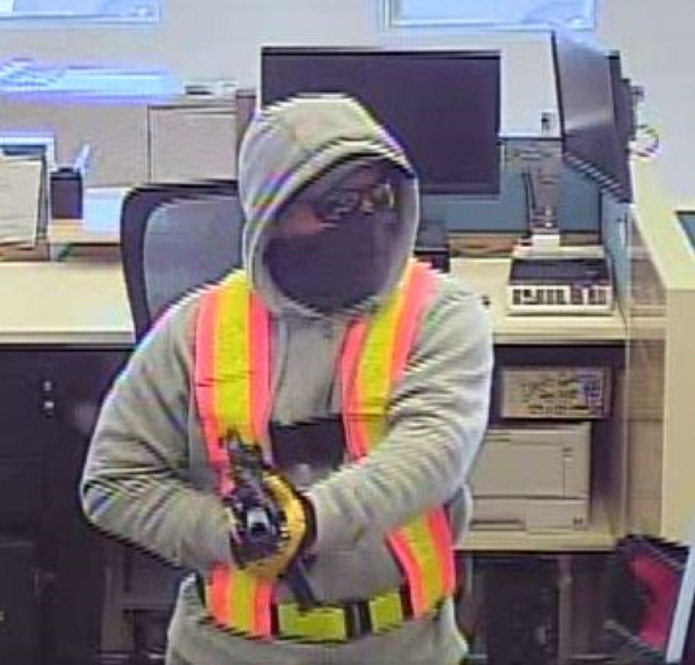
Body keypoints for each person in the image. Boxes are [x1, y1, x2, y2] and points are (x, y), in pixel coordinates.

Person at [81, 94, 494, 665]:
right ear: (273, 215)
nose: (365, 221)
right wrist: (226, 534)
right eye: (337, 206)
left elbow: (432, 451)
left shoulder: (441, 313)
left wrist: (309, 522)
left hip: (408, 647)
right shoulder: (196, 330)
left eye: (377, 198)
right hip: (229, 650)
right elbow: (113, 482)